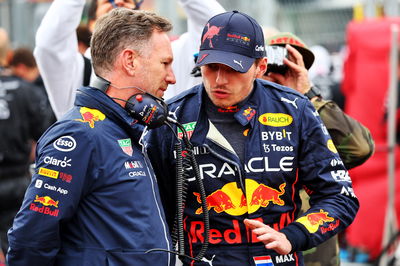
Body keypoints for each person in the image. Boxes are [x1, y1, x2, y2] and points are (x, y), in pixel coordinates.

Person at [146, 10, 359, 266]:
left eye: (233, 69)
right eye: (211, 67)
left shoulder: (295, 110)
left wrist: (293, 236)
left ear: (261, 67)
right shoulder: (171, 118)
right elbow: (151, 210)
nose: (219, 80)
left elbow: (339, 196)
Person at [7, 8, 176, 265]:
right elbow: (30, 239)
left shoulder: (126, 129)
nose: (172, 78)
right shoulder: (79, 135)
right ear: (130, 60)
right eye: (165, 63)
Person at [263, 32, 375, 266]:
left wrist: (307, 94)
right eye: (269, 67)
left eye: (290, 68)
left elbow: (360, 148)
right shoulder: (239, 117)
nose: (279, 75)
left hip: (315, 255)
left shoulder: (311, 117)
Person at [34, 0, 224, 119]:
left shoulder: (173, 57)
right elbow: (49, 44)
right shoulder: (79, 71)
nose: (120, 6)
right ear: (91, 24)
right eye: (109, 4)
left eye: (128, 5)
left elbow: (217, 26)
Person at [0, 28, 49, 256]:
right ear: (9, 56)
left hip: (17, 179)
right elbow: (48, 136)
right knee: (15, 246)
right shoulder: (27, 92)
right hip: (18, 181)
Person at [9, 47, 56, 126]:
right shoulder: (50, 82)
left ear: (21, 68)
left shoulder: (37, 89)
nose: (15, 79)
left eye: (15, 75)